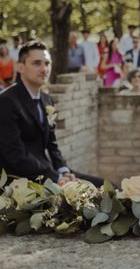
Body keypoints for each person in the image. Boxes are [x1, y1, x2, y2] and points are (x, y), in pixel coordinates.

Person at [0, 41, 103, 186]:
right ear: (20, 67)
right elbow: (15, 155)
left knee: (106, 187)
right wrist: (57, 178)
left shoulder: (47, 100)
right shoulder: (6, 102)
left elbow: (52, 144)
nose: (44, 69)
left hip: (49, 171)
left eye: (47, 63)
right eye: (37, 63)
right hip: (20, 180)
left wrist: (64, 170)